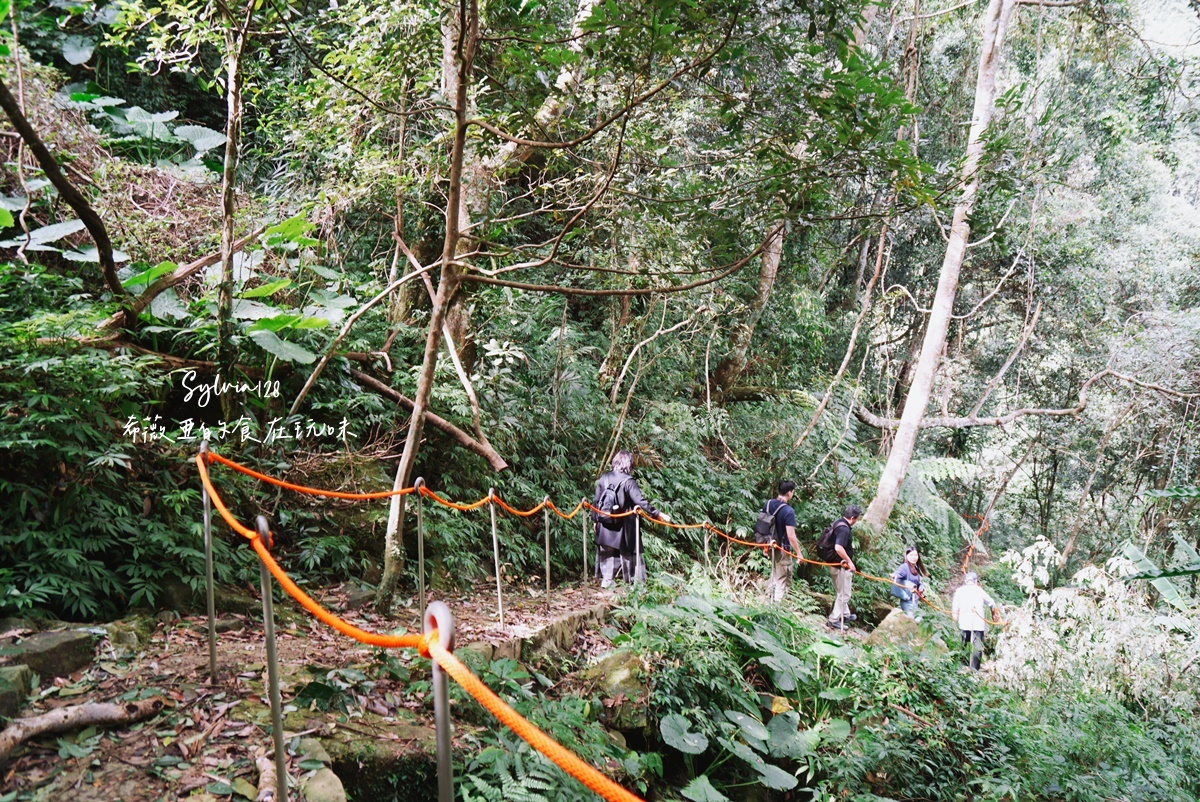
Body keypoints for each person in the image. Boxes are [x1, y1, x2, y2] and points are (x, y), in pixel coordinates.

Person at [592, 450, 670, 587]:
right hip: (624, 527)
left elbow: (596, 502)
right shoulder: (628, 481)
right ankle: (635, 585)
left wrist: (595, 521)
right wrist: (657, 513)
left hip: (604, 524)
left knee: (608, 555)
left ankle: (607, 582)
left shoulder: (603, 478)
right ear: (629, 464)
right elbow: (640, 500)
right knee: (628, 556)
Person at [820, 505, 862, 630]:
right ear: (853, 518)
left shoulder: (838, 523)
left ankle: (845, 614)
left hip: (833, 563)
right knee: (845, 594)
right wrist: (850, 562)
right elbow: (838, 547)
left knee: (840, 591)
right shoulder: (844, 529)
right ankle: (834, 619)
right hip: (840, 566)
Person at [762, 480, 803, 602]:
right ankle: (777, 609)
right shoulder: (788, 511)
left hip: (769, 545)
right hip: (782, 549)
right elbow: (791, 535)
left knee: (774, 573)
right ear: (789, 492)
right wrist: (798, 553)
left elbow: (763, 526)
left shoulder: (768, 504)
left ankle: (767, 601)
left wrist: (764, 546)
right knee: (782, 578)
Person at [951, 572, 998, 670]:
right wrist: (994, 615)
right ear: (976, 581)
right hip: (978, 623)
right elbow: (992, 603)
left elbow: (955, 608)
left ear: (965, 581)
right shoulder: (979, 590)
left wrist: (955, 619)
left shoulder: (959, 591)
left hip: (964, 623)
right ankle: (975, 669)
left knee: (964, 644)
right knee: (977, 646)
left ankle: (962, 666)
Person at [890, 546, 927, 620]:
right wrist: (894, 576)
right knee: (916, 620)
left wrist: (921, 587)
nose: (914, 557)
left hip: (915, 601)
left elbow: (917, 583)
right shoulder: (904, 567)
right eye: (911, 555)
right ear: (906, 556)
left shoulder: (915, 568)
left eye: (916, 555)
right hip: (907, 601)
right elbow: (898, 573)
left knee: (919, 621)